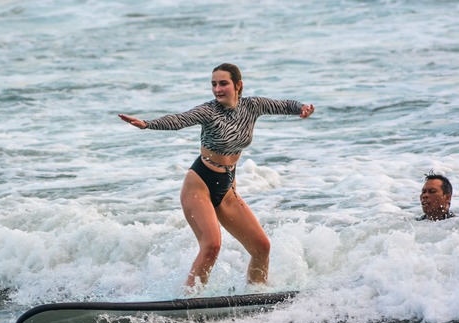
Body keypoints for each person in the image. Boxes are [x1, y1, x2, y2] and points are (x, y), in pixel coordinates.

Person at [119, 63, 314, 291]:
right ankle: (189, 300)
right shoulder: (209, 111)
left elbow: (284, 105)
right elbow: (181, 120)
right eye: (214, 84)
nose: (217, 89)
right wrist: (147, 124)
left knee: (261, 247)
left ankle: (256, 294)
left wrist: (302, 108)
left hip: (228, 188)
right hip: (199, 184)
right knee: (211, 245)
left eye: (223, 83)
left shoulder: (253, 106)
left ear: (238, 85)